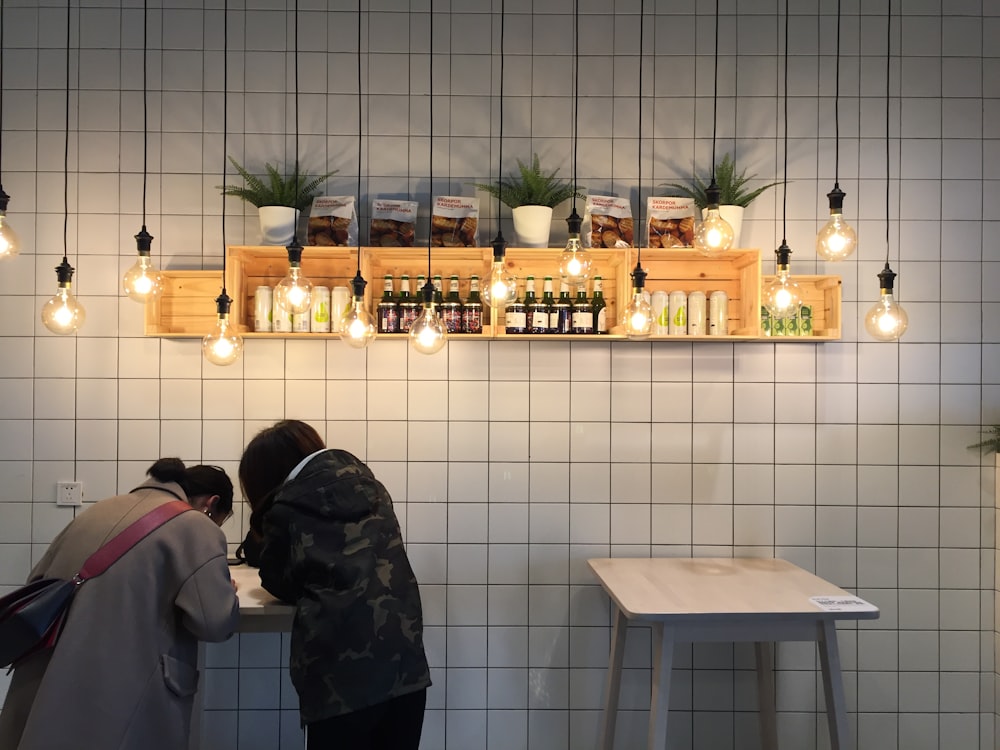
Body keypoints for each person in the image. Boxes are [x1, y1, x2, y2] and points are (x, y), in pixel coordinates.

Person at [0, 458, 240, 750]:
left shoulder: (97, 511)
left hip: (45, 681)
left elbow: (37, 580)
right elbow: (213, 622)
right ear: (211, 504)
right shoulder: (196, 525)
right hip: (121, 694)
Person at [238, 419, 430, 750]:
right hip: (405, 662)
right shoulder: (373, 488)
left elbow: (277, 580)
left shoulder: (286, 507)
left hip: (340, 679)